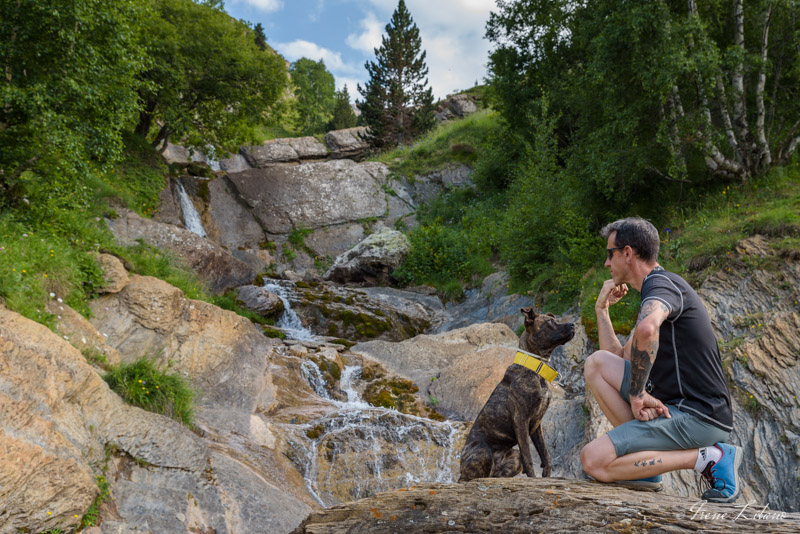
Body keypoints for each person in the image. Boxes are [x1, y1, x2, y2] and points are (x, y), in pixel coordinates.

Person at [580, 217, 742, 502]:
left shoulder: (662, 286)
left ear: (627, 253)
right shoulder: (657, 293)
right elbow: (617, 357)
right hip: (676, 407)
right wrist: (602, 309)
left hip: (699, 415)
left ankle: (710, 457)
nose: (607, 263)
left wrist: (638, 393)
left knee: (593, 461)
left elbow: (646, 329)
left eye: (610, 254)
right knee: (597, 364)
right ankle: (641, 470)